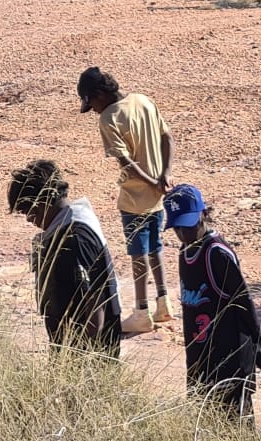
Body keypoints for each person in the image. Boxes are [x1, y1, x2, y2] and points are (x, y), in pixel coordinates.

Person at [77, 66, 175, 334]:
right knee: (156, 248)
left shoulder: (109, 118)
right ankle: (163, 304)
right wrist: (164, 175)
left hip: (134, 197)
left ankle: (142, 311)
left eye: (91, 103)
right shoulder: (143, 100)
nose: (93, 110)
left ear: (100, 94)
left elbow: (127, 164)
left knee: (138, 254)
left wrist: (150, 182)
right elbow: (167, 137)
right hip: (158, 194)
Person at [163, 184, 261, 420]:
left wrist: (258, 345)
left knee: (236, 426)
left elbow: (244, 303)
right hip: (200, 359)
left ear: (203, 214)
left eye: (188, 224)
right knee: (205, 423)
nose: (183, 233)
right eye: (177, 227)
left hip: (229, 358)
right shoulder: (185, 252)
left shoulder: (217, 253)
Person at [7, 159, 122, 358]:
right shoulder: (70, 223)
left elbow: (94, 303)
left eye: (28, 210)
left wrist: (78, 361)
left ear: (44, 201)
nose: (28, 218)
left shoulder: (74, 237)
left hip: (86, 353)